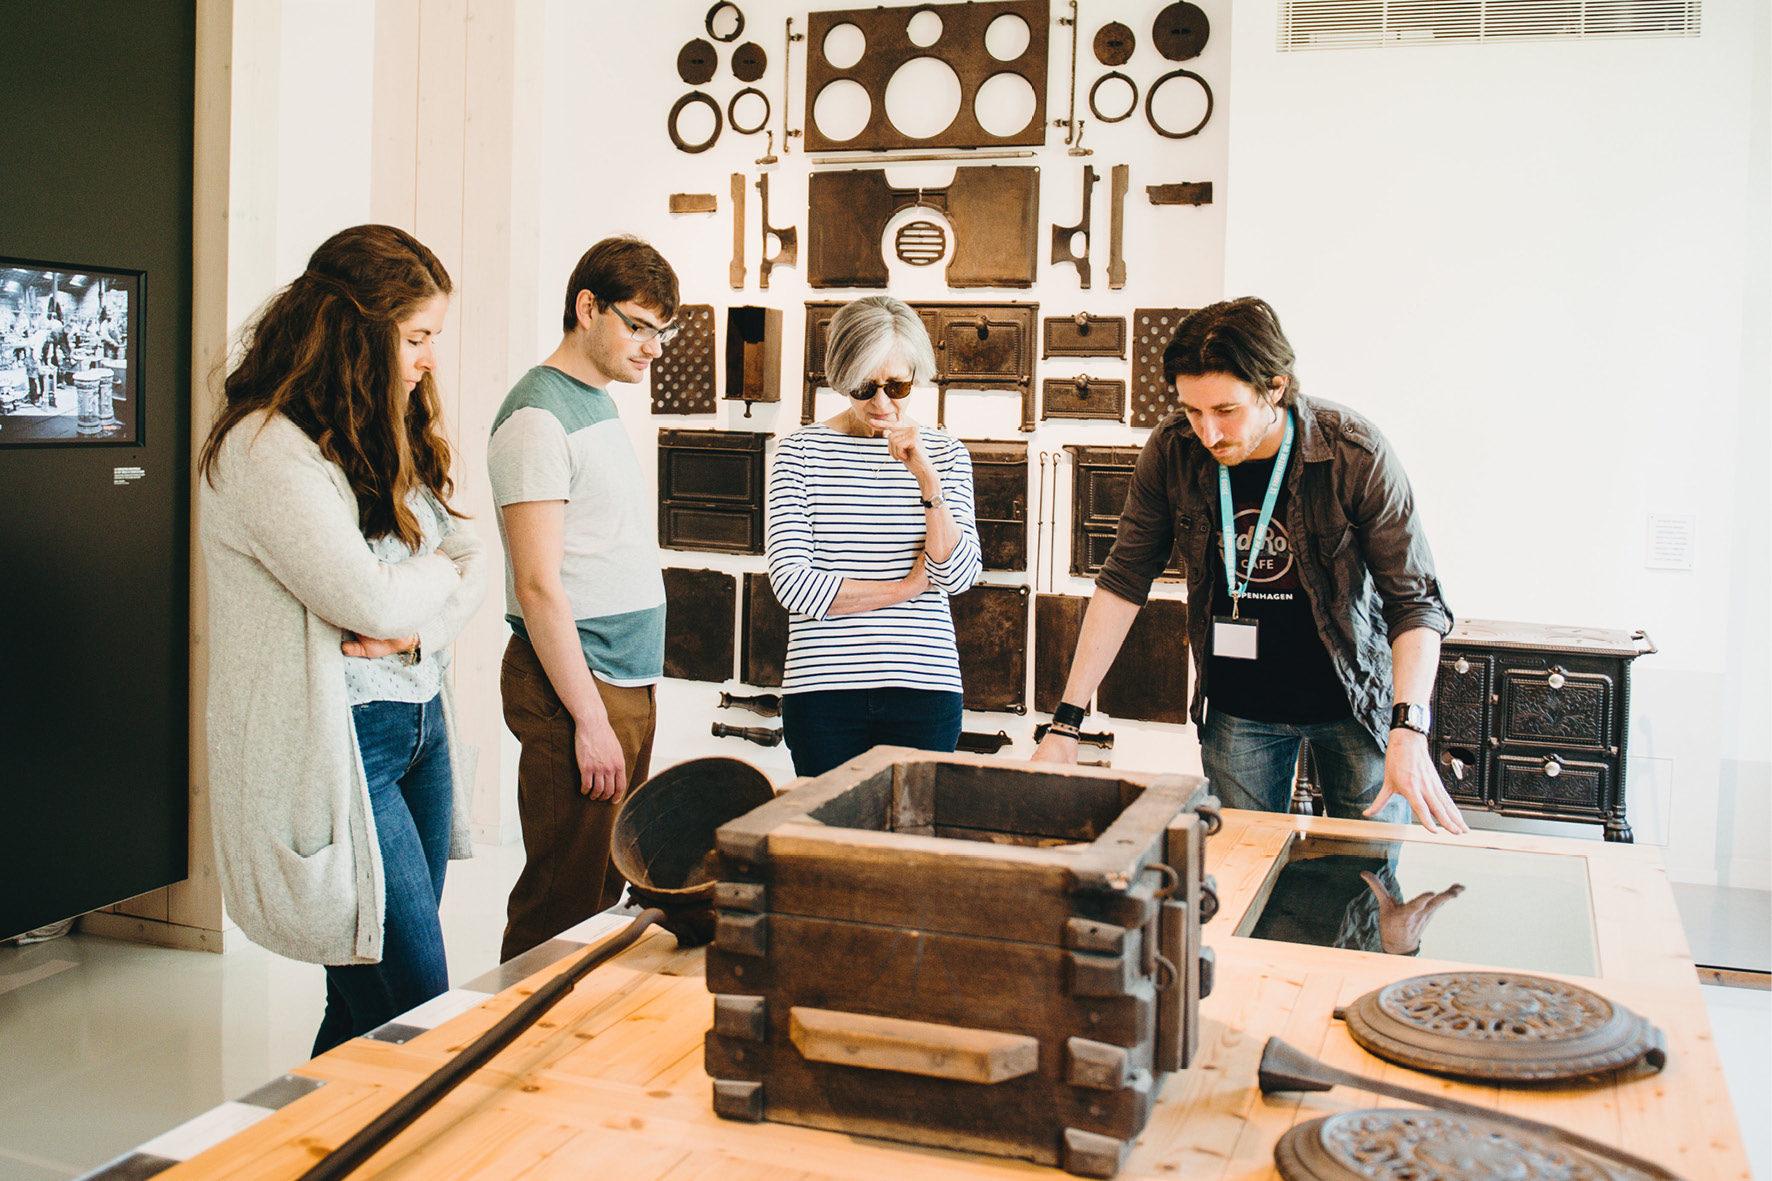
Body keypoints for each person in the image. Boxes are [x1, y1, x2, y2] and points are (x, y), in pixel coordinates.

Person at [198, 224, 488, 1055]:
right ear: (357, 331)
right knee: (416, 1003)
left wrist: (408, 632)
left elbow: (470, 557)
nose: (430, 358)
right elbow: (368, 595)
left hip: (419, 724)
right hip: (344, 745)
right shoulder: (265, 450)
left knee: (369, 1000)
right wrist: (414, 599)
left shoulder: (372, 428)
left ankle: (312, 1154)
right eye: (417, 336)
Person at [1033, 297, 1468, 834]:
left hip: (1355, 704)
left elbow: (1415, 602)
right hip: (1241, 711)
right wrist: (1066, 724)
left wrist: (1409, 729)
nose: (1208, 433)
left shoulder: (1354, 452)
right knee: (1239, 871)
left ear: (1276, 388)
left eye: (1225, 411)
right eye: (1193, 411)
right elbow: (1123, 581)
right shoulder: (1173, 450)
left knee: (1365, 880)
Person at [487, 236, 679, 963]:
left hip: (618, 679)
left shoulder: (591, 399)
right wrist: (590, 720)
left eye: (662, 331)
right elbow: (537, 585)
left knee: (602, 890)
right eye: (637, 324)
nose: (652, 347)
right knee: (560, 906)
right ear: (586, 307)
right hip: (578, 687)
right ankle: (512, 1060)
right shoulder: (537, 417)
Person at [766, 295, 983, 778]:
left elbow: (959, 574)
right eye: (865, 386)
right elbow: (792, 584)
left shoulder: (945, 454)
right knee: (825, 843)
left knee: (911, 846)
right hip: (822, 690)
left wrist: (927, 480)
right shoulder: (800, 452)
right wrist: (906, 588)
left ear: (917, 376)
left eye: (897, 385)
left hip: (923, 687)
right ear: (842, 377)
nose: (882, 403)